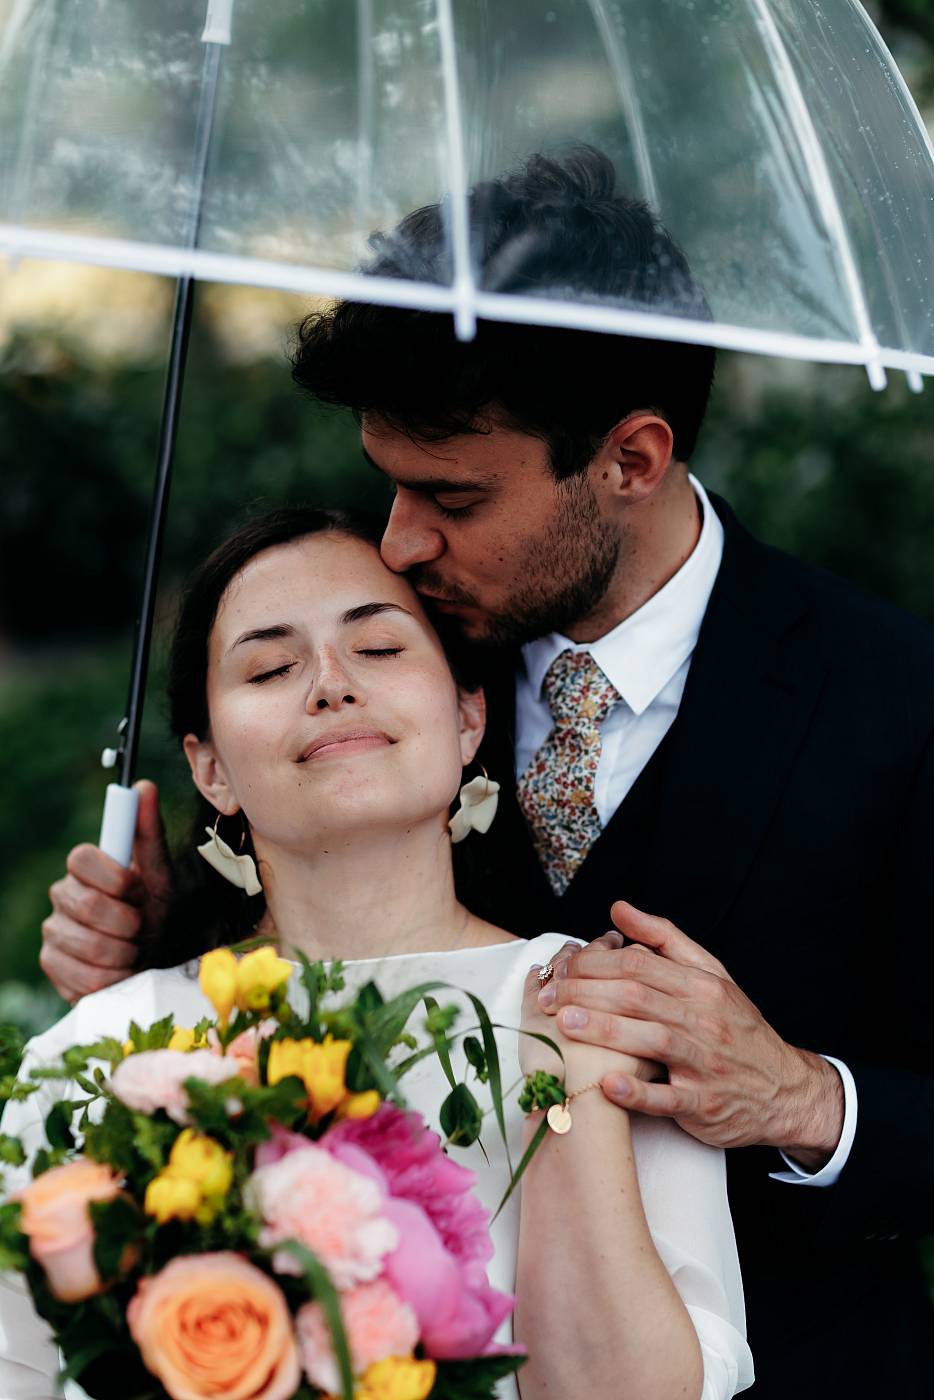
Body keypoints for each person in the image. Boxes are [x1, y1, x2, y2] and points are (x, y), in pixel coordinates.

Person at [41, 150, 934, 1396]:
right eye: (387, 482)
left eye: (450, 494)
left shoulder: (898, 697)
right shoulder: (389, 657)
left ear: (630, 457)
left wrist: (802, 1099)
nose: (399, 540)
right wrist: (155, 943)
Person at [1, 507, 753, 1400]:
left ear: (470, 716)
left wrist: (570, 1081)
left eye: (381, 650)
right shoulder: (104, 1053)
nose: (330, 685)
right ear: (211, 771)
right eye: (272, 667)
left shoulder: (608, 1009)